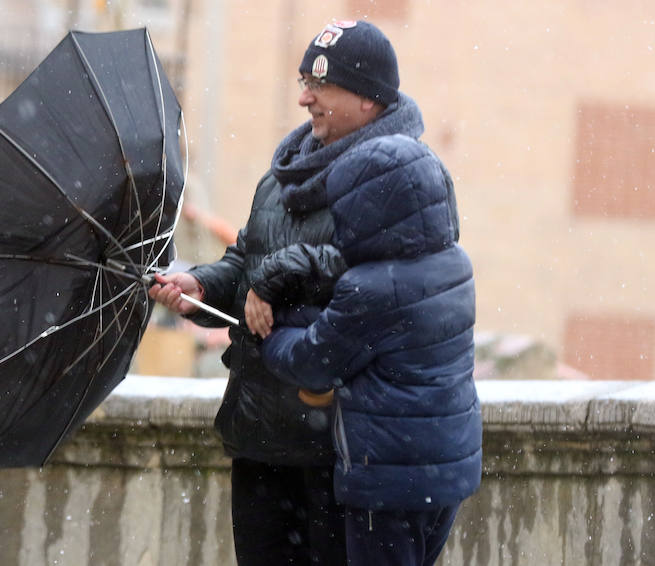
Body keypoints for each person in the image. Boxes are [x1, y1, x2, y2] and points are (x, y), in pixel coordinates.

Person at [149, 19, 439, 565]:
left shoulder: (401, 179)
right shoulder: (283, 175)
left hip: (341, 448)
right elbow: (247, 258)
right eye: (305, 81)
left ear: (368, 98)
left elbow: (386, 280)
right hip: (262, 438)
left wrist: (278, 277)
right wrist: (200, 285)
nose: (304, 97)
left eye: (321, 85)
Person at [256, 134, 481, 565]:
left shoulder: (373, 288)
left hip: (388, 484)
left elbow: (313, 361)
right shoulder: (455, 266)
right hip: (447, 473)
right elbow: (372, 333)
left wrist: (269, 334)